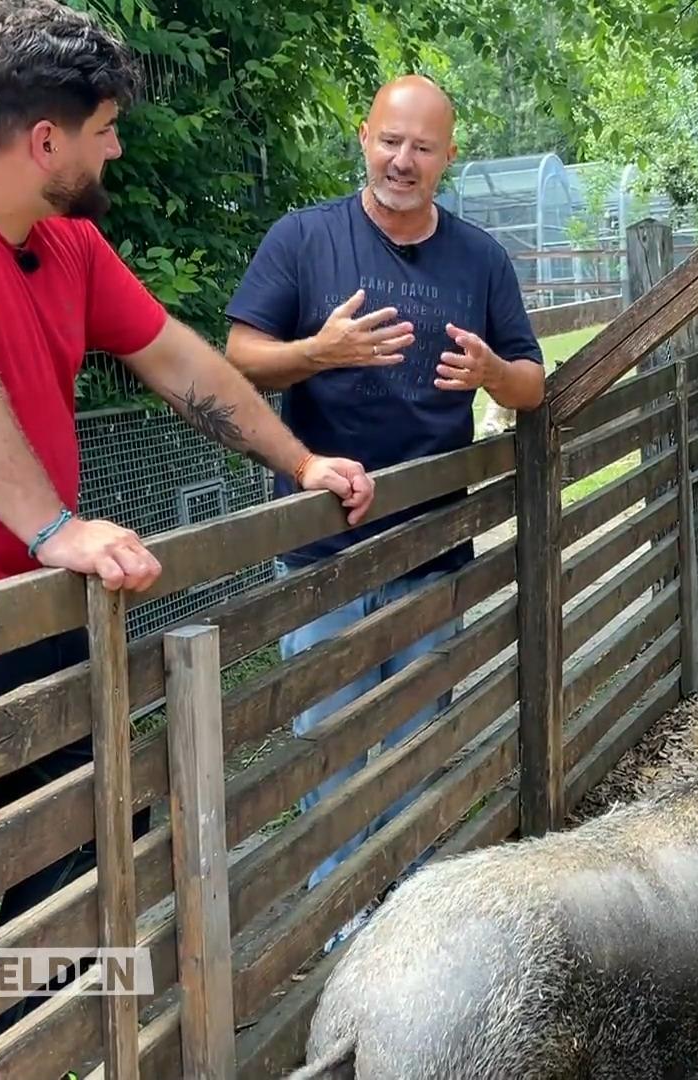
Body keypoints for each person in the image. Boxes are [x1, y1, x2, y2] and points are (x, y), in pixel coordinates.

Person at [0, 1, 374, 1073]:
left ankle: (39, 1059)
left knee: (78, 868)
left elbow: (181, 361)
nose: (117, 147)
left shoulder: (65, 243)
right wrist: (53, 523)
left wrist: (299, 462)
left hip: (32, 615)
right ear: (45, 140)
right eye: (105, 128)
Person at [223, 74, 545, 949]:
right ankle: (339, 923)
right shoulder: (304, 238)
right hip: (321, 553)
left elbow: (533, 381)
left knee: (410, 746)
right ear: (363, 138)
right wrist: (316, 352)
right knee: (328, 752)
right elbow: (240, 358)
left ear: (448, 157)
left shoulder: (478, 259)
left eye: (423, 146)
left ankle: (403, 921)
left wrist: (490, 375)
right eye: (389, 141)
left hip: (432, 543)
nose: (403, 160)